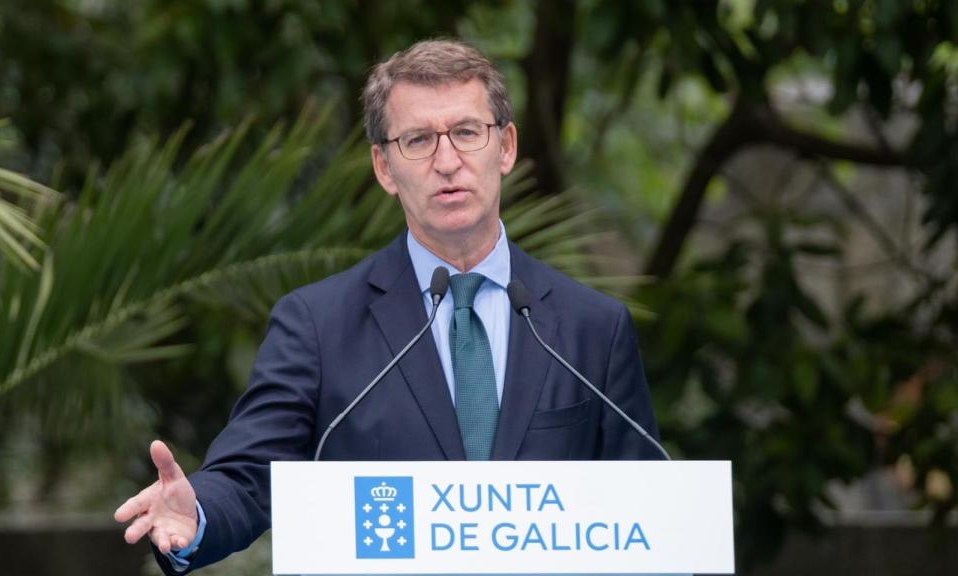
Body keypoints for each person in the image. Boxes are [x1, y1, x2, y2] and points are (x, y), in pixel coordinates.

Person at [114, 39, 662, 575]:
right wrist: (201, 513)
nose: (447, 161)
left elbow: (648, 509)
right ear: (383, 167)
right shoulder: (319, 325)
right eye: (418, 140)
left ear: (507, 147)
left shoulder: (593, 328)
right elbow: (252, 473)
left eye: (467, 133)